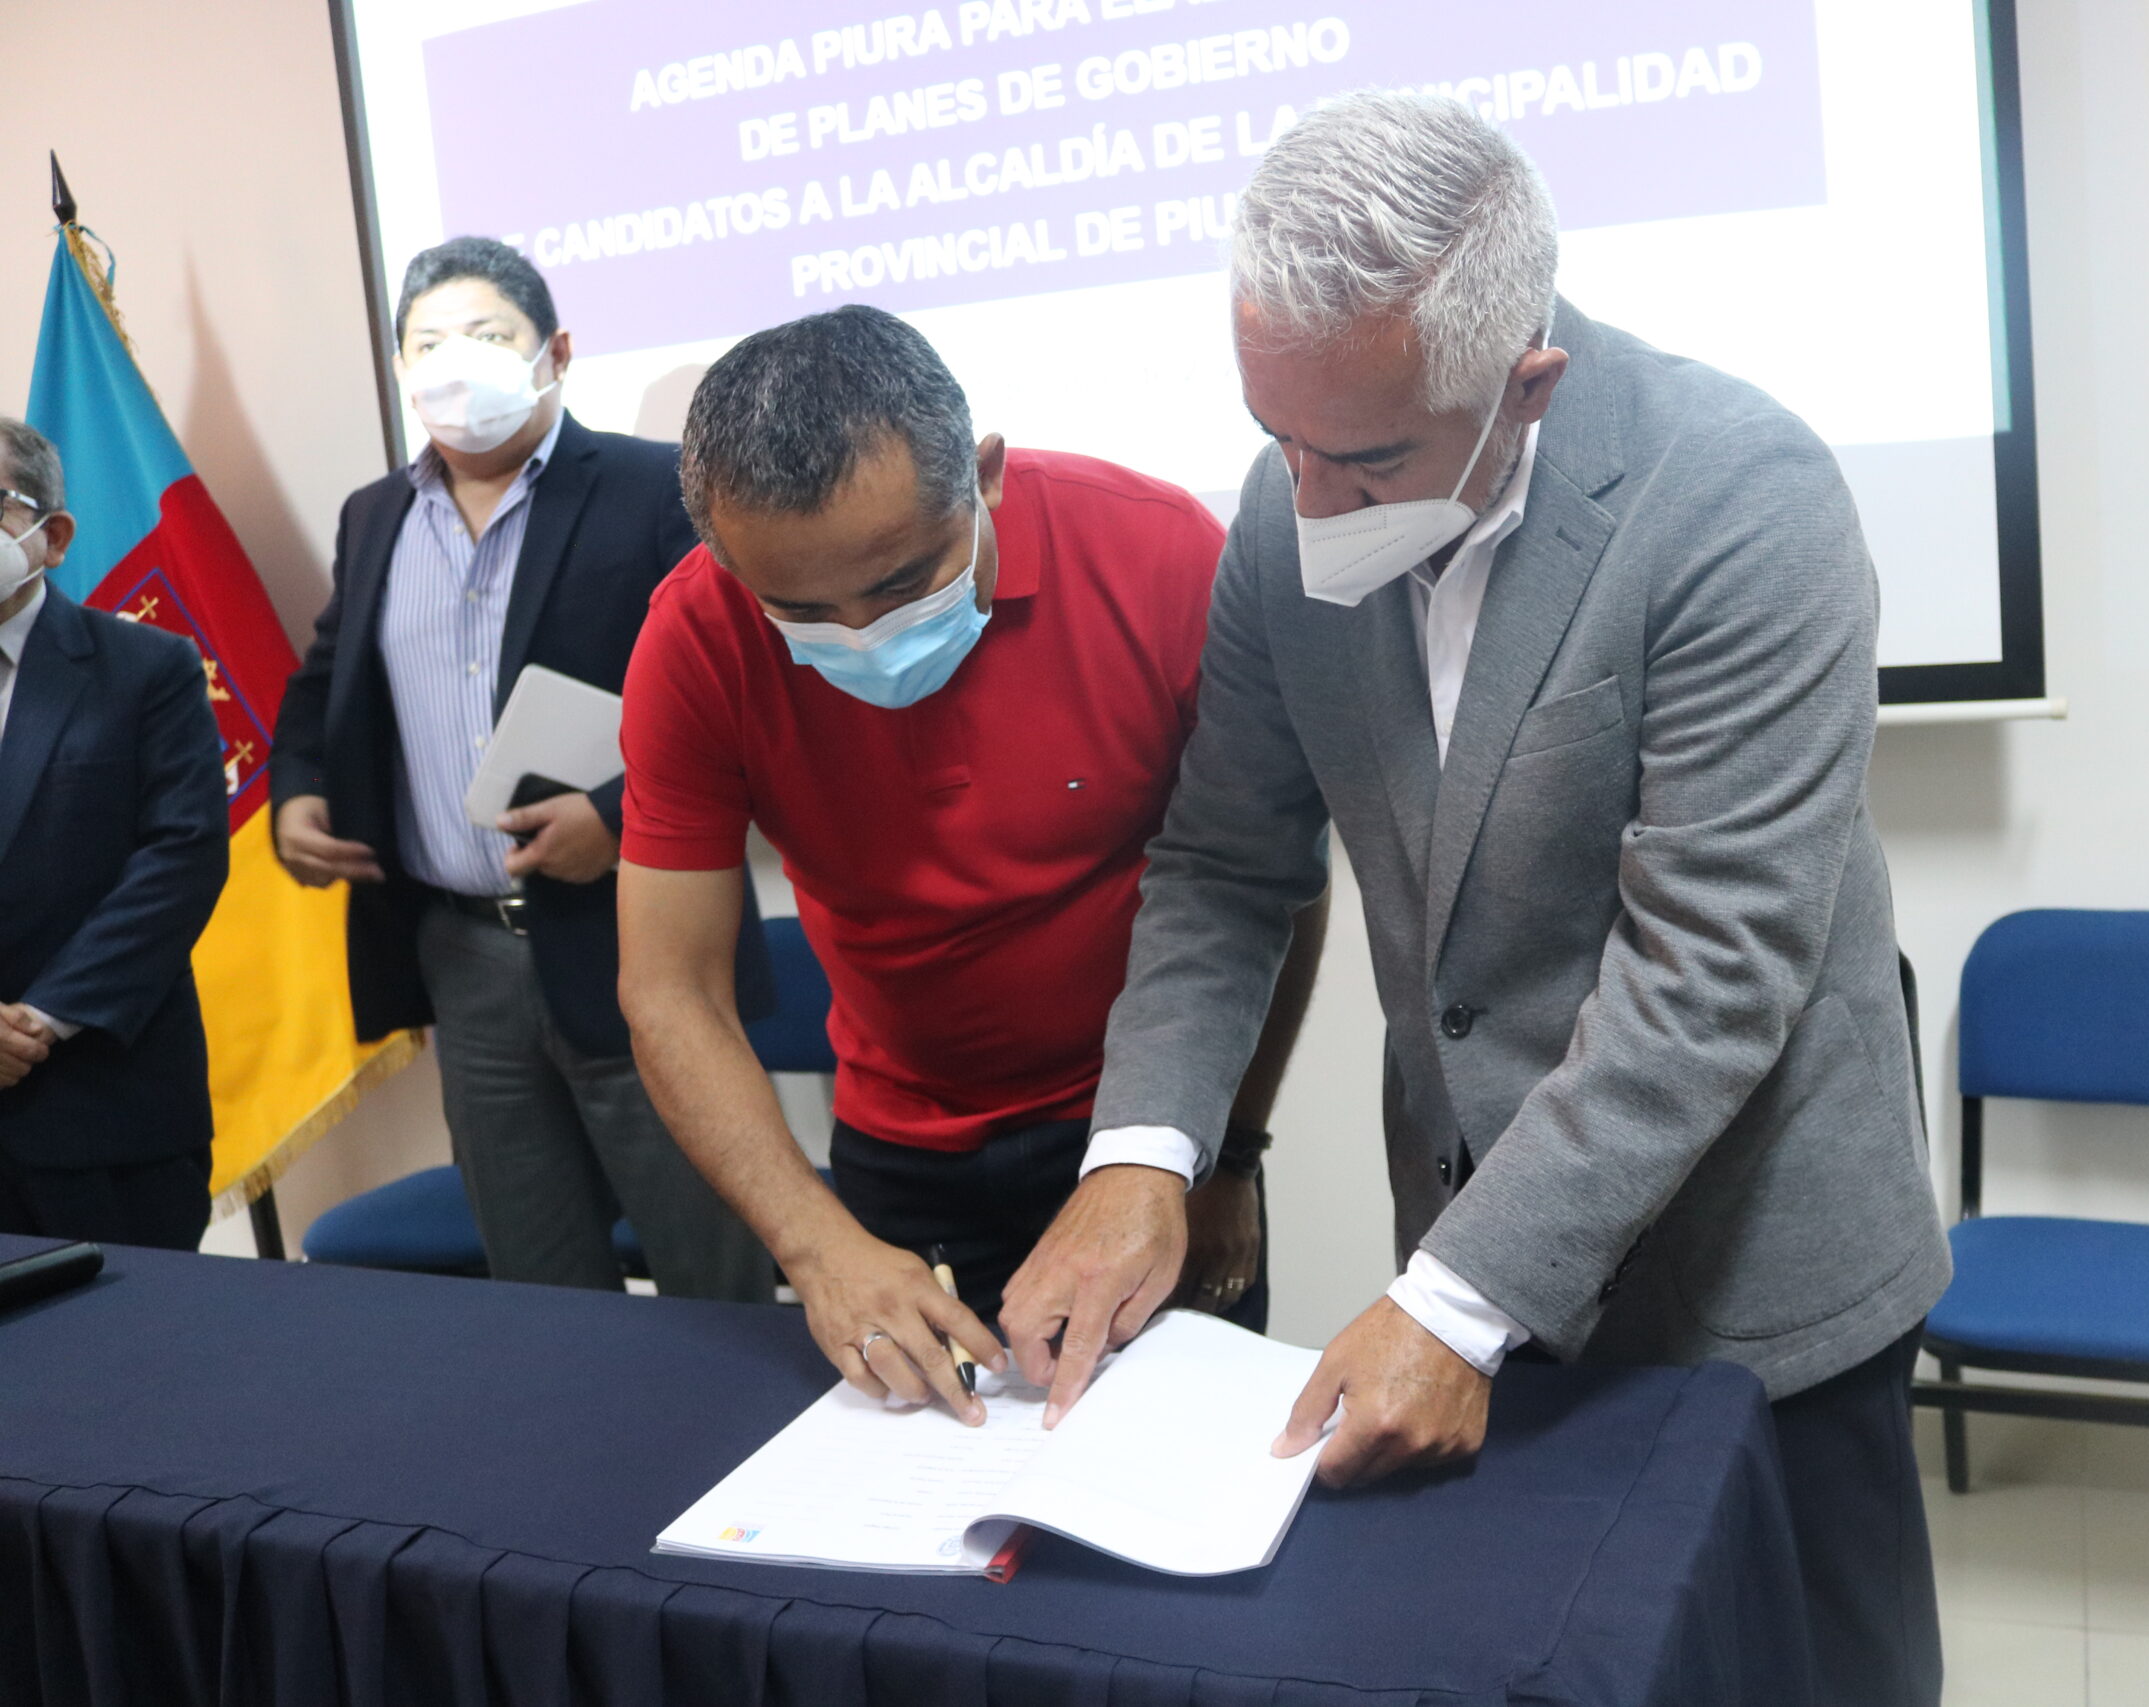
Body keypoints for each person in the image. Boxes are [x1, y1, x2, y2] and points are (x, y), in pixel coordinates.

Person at [1005, 93, 1950, 1704]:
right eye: (1280, 437)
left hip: (1748, 1276)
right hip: (1469, 1240)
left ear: (1528, 382)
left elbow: (1713, 969)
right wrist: (1143, 1154)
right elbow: (1226, 864)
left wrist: (1457, 1298)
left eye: (1368, 457)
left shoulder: (1741, 493)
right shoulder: (1284, 503)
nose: (1309, 498)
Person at [615, 305, 1324, 1425]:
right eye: (802, 611)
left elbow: (1269, 884)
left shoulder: (1156, 554)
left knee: (1177, 1463)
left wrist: (1226, 1152)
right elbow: (671, 989)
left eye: (904, 583)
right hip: (902, 1151)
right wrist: (817, 1248)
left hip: (1149, 1121)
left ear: (984, 476)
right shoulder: (697, 635)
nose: (862, 635)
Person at [271, 238, 772, 1301]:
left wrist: (620, 817)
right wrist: (296, 790)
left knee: (711, 1269)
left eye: (488, 335)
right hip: (462, 954)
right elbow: (326, 681)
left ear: (558, 351)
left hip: (642, 930)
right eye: (429, 344)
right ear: (400, 369)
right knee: (535, 1284)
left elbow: (750, 690)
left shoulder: (654, 489)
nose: (457, 362)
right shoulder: (375, 515)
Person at [0, 419, 229, 1249]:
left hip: (107, 1116)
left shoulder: (148, 668)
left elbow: (181, 860)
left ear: (53, 535)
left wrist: (42, 1018)